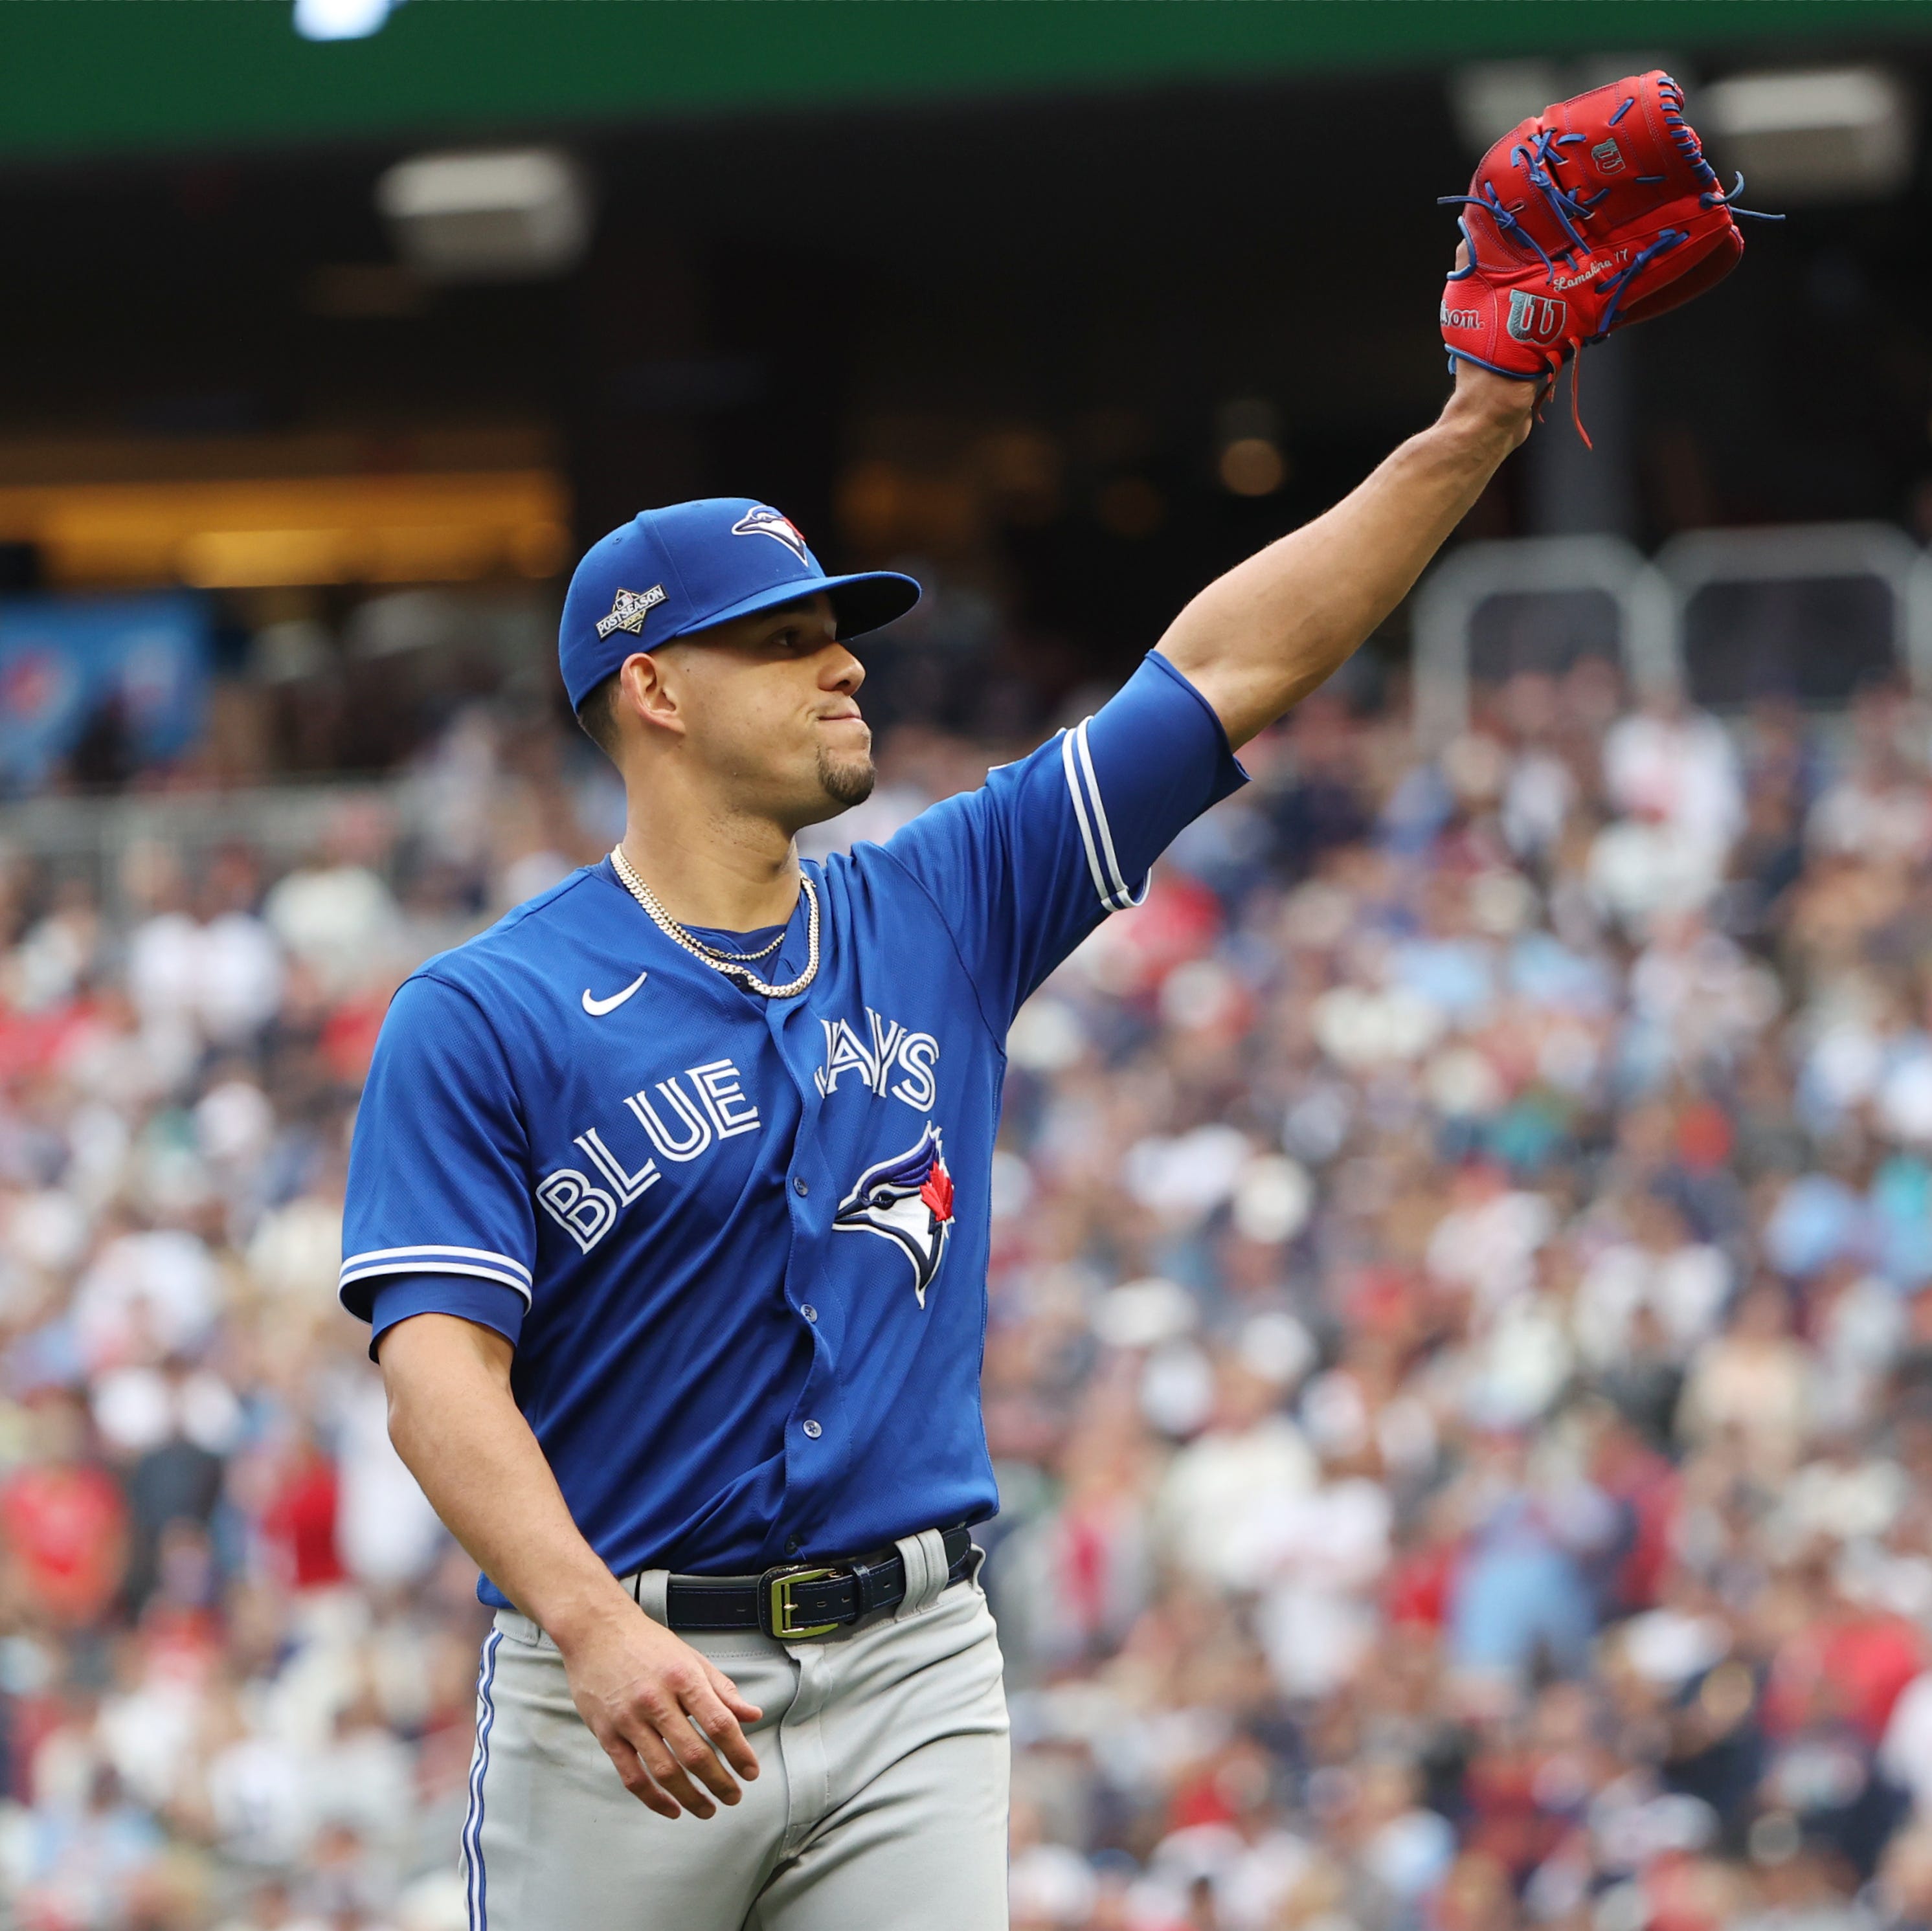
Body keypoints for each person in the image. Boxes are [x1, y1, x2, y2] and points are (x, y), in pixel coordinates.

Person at [339, 363, 1536, 1928]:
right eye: (782, 640)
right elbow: (435, 1375)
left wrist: (1477, 427)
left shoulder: (941, 907)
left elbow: (1229, 666)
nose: (844, 665)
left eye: (835, 633)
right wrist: (589, 1626)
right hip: (622, 1680)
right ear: (656, 691)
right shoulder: (484, 1008)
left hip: (913, 1663)